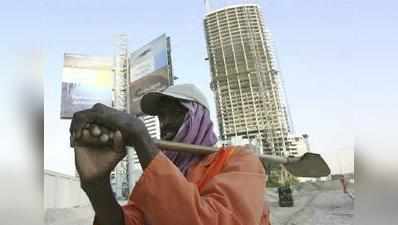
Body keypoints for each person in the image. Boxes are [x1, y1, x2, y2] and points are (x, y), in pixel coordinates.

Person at [70, 84, 271, 225]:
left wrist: (140, 137)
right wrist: (97, 186)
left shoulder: (239, 161)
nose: (164, 123)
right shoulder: (157, 173)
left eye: (174, 112)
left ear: (197, 117)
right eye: (160, 117)